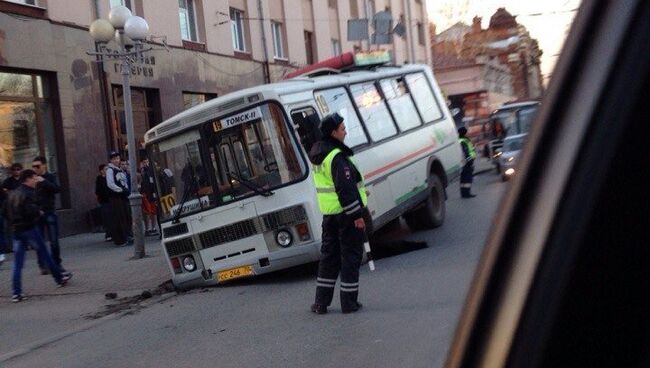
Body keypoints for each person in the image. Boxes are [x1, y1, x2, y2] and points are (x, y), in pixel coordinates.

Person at [309, 113, 368, 315]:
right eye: (342, 128)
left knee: (329, 258)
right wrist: (357, 215)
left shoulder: (319, 154)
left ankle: (320, 303)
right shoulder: (336, 156)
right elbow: (345, 188)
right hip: (345, 215)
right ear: (333, 133)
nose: (345, 131)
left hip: (329, 215)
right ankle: (349, 303)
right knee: (350, 258)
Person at [5, 169, 71, 302]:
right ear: (28, 179)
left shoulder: (13, 194)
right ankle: (59, 278)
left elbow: (5, 212)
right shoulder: (28, 193)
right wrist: (38, 212)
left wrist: (13, 223)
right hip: (29, 229)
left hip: (17, 231)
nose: (36, 181)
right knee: (44, 253)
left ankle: (16, 292)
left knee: (18, 263)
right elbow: (29, 210)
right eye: (34, 178)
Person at [32, 156, 65, 274]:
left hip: (50, 212)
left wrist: (43, 181)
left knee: (54, 240)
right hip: (37, 215)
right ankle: (42, 265)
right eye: (33, 166)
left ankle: (57, 263)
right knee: (39, 242)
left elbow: (57, 189)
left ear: (44, 165)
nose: (35, 168)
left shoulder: (50, 177)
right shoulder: (32, 179)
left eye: (37, 166)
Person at [106, 152, 131, 246]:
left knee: (125, 217)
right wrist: (121, 190)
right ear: (111, 160)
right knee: (119, 218)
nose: (116, 160)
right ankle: (120, 240)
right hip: (116, 197)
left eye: (117, 158)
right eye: (114, 159)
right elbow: (110, 184)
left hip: (122, 197)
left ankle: (126, 236)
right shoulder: (110, 170)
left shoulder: (119, 170)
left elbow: (124, 182)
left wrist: (126, 190)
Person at [139, 157, 159, 236]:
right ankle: (147, 229)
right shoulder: (141, 173)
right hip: (144, 194)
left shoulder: (151, 171)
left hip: (151, 194)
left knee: (153, 212)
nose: (146, 164)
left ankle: (153, 228)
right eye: (144, 162)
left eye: (147, 162)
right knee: (146, 212)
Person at [458, 127, 477, 198]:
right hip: (467, 162)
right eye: (466, 132)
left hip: (463, 162)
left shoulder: (460, 140)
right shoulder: (464, 141)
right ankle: (467, 193)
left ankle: (463, 193)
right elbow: (466, 152)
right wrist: (469, 160)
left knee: (463, 179)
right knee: (467, 178)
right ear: (464, 132)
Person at [95, 164, 112, 241]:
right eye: (105, 169)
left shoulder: (110, 177)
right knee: (107, 218)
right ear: (101, 171)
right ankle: (108, 234)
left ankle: (114, 233)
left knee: (112, 217)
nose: (107, 170)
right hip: (104, 201)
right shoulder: (99, 179)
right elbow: (98, 191)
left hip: (112, 200)